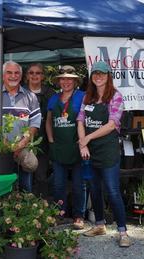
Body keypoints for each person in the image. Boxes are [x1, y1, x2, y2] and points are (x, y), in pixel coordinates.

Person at [77, 61, 130, 247]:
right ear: (91, 77)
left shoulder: (115, 96)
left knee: (113, 191)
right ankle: (100, 225)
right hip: (90, 152)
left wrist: (87, 139)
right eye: (95, 74)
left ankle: (123, 232)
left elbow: (112, 124)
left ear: (108, 76)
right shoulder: (87, 97)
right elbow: (80, 121)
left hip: (108, 152)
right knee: (94, 189)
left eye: (102, 74)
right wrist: (83, 145)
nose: (98, 77)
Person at [0, 61, 41, 192]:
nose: (13, 76)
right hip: (0, 151)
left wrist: (22, 143)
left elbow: (35, 124)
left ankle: (26, 208)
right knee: (3, 188)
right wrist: (6, 145)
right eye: (9, 72)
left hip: (22, 148)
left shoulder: (30, 97)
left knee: (26, 185)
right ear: (3, 75)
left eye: (16, 73)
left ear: (21, 76)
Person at [46, 67, 86, 230]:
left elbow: (86, 121)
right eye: (63, 79)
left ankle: (78, 216)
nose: (66, 81)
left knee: (79, 185)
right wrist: (51, 140)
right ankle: (59, 214)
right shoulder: (53, 99)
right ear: (59, 81)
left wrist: (84, 142)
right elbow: (48, 121)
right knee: (58, 184)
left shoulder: (82, 97)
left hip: (77, 148)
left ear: (75, 81)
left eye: (70, 78)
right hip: (59, 148)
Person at [24, 63, 55, 197]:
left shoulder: (50, 93)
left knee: (41, 176)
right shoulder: (20, 91)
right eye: (31, 73)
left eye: (38, 73)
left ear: (42, 76)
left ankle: (41, 207)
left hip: (42, 141)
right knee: (24, 176)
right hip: (22, 140)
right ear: (27, 76)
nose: (34, 75)